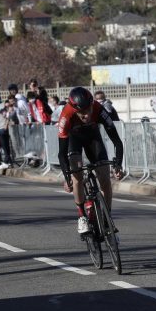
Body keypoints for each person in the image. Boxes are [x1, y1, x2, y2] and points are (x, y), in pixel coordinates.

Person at [57, 86, 124, 234]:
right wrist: (67, 175)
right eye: (81, 112)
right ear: (74, 110)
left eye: (88, 110)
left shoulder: (99, 109)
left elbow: (117, 142)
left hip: (93, 138)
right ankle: (81, 216)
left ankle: (107, 218)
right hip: (74, 139)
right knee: (77, 174)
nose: (86, 115)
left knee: (105, 178)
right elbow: (61, 153)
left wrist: (118, 165)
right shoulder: (66, 115)